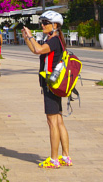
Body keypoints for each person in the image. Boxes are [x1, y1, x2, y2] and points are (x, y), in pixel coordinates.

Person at [23, 11, 71, 169]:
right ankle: (65, 156)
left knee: (52, 123)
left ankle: (54, 159)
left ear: (55, 25)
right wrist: (26, 38)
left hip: (50, 85)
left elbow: (38, 50)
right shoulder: (54, 40)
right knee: (59, 121)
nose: (42, 25)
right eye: (41, 22)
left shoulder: (54, 41)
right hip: (55, 84)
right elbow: (35, 49)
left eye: (45, 22)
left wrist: (30, 36)